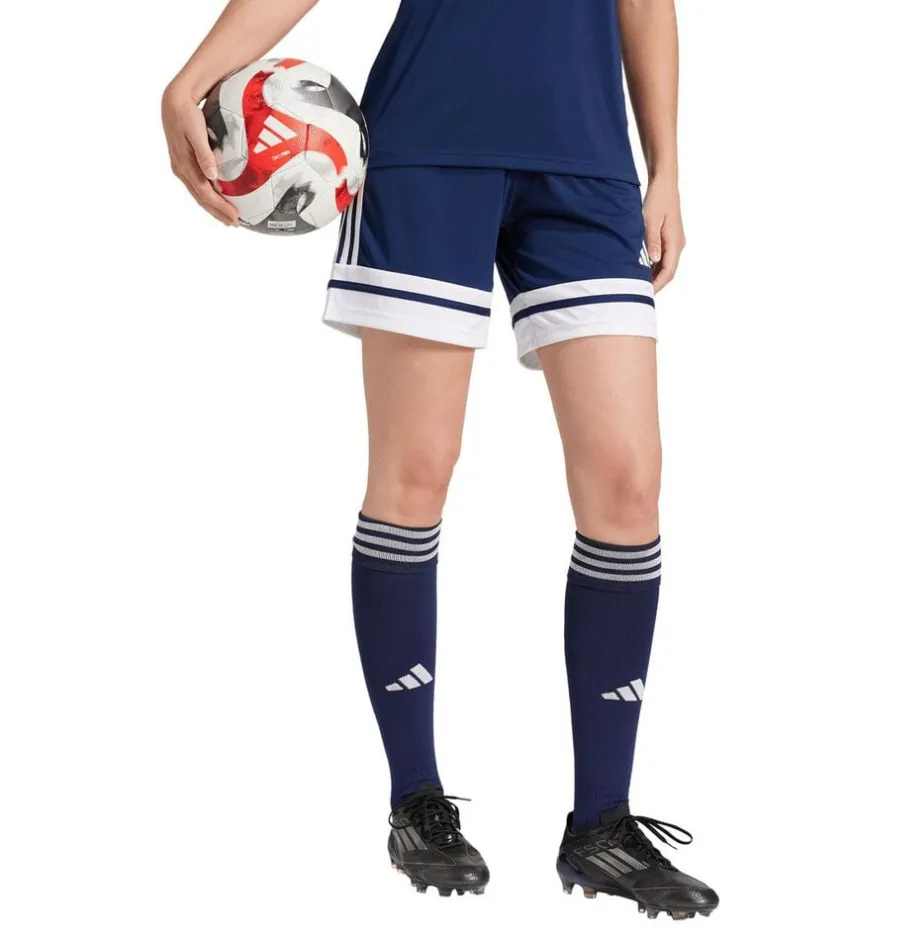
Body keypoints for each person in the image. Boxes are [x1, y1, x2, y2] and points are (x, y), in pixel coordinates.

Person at [163, 0, 718, 918]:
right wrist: (190, 79)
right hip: (428, 147)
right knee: (416, 469)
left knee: (628, 484)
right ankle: (416, 801)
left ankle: (602, 825)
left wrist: (666, 168)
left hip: (587, 160)